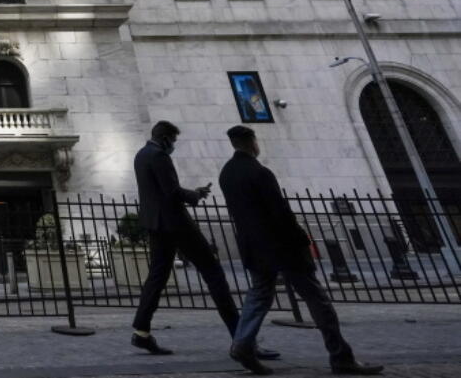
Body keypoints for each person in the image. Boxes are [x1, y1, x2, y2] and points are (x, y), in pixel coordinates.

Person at [220, 126, 383, 376]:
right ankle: (340, 356)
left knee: (258, 296)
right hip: (282, 247)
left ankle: (242, 344)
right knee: (317, 300)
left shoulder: (227, 173)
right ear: (251, 142)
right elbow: (279, 212)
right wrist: (300, 238)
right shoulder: (260, 172)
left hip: (252, 247)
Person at [130, 121, 272, 359]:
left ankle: (141, 332)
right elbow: (171, 192)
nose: (173, 145)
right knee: (214, 274)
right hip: (176, 223)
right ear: (165, 138)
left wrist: (190, 192)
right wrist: (195, 195)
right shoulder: (159, 156)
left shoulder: (141, 155)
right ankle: (242, 339)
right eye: (173, 140)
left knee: (156, 277)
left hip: (156, 225)